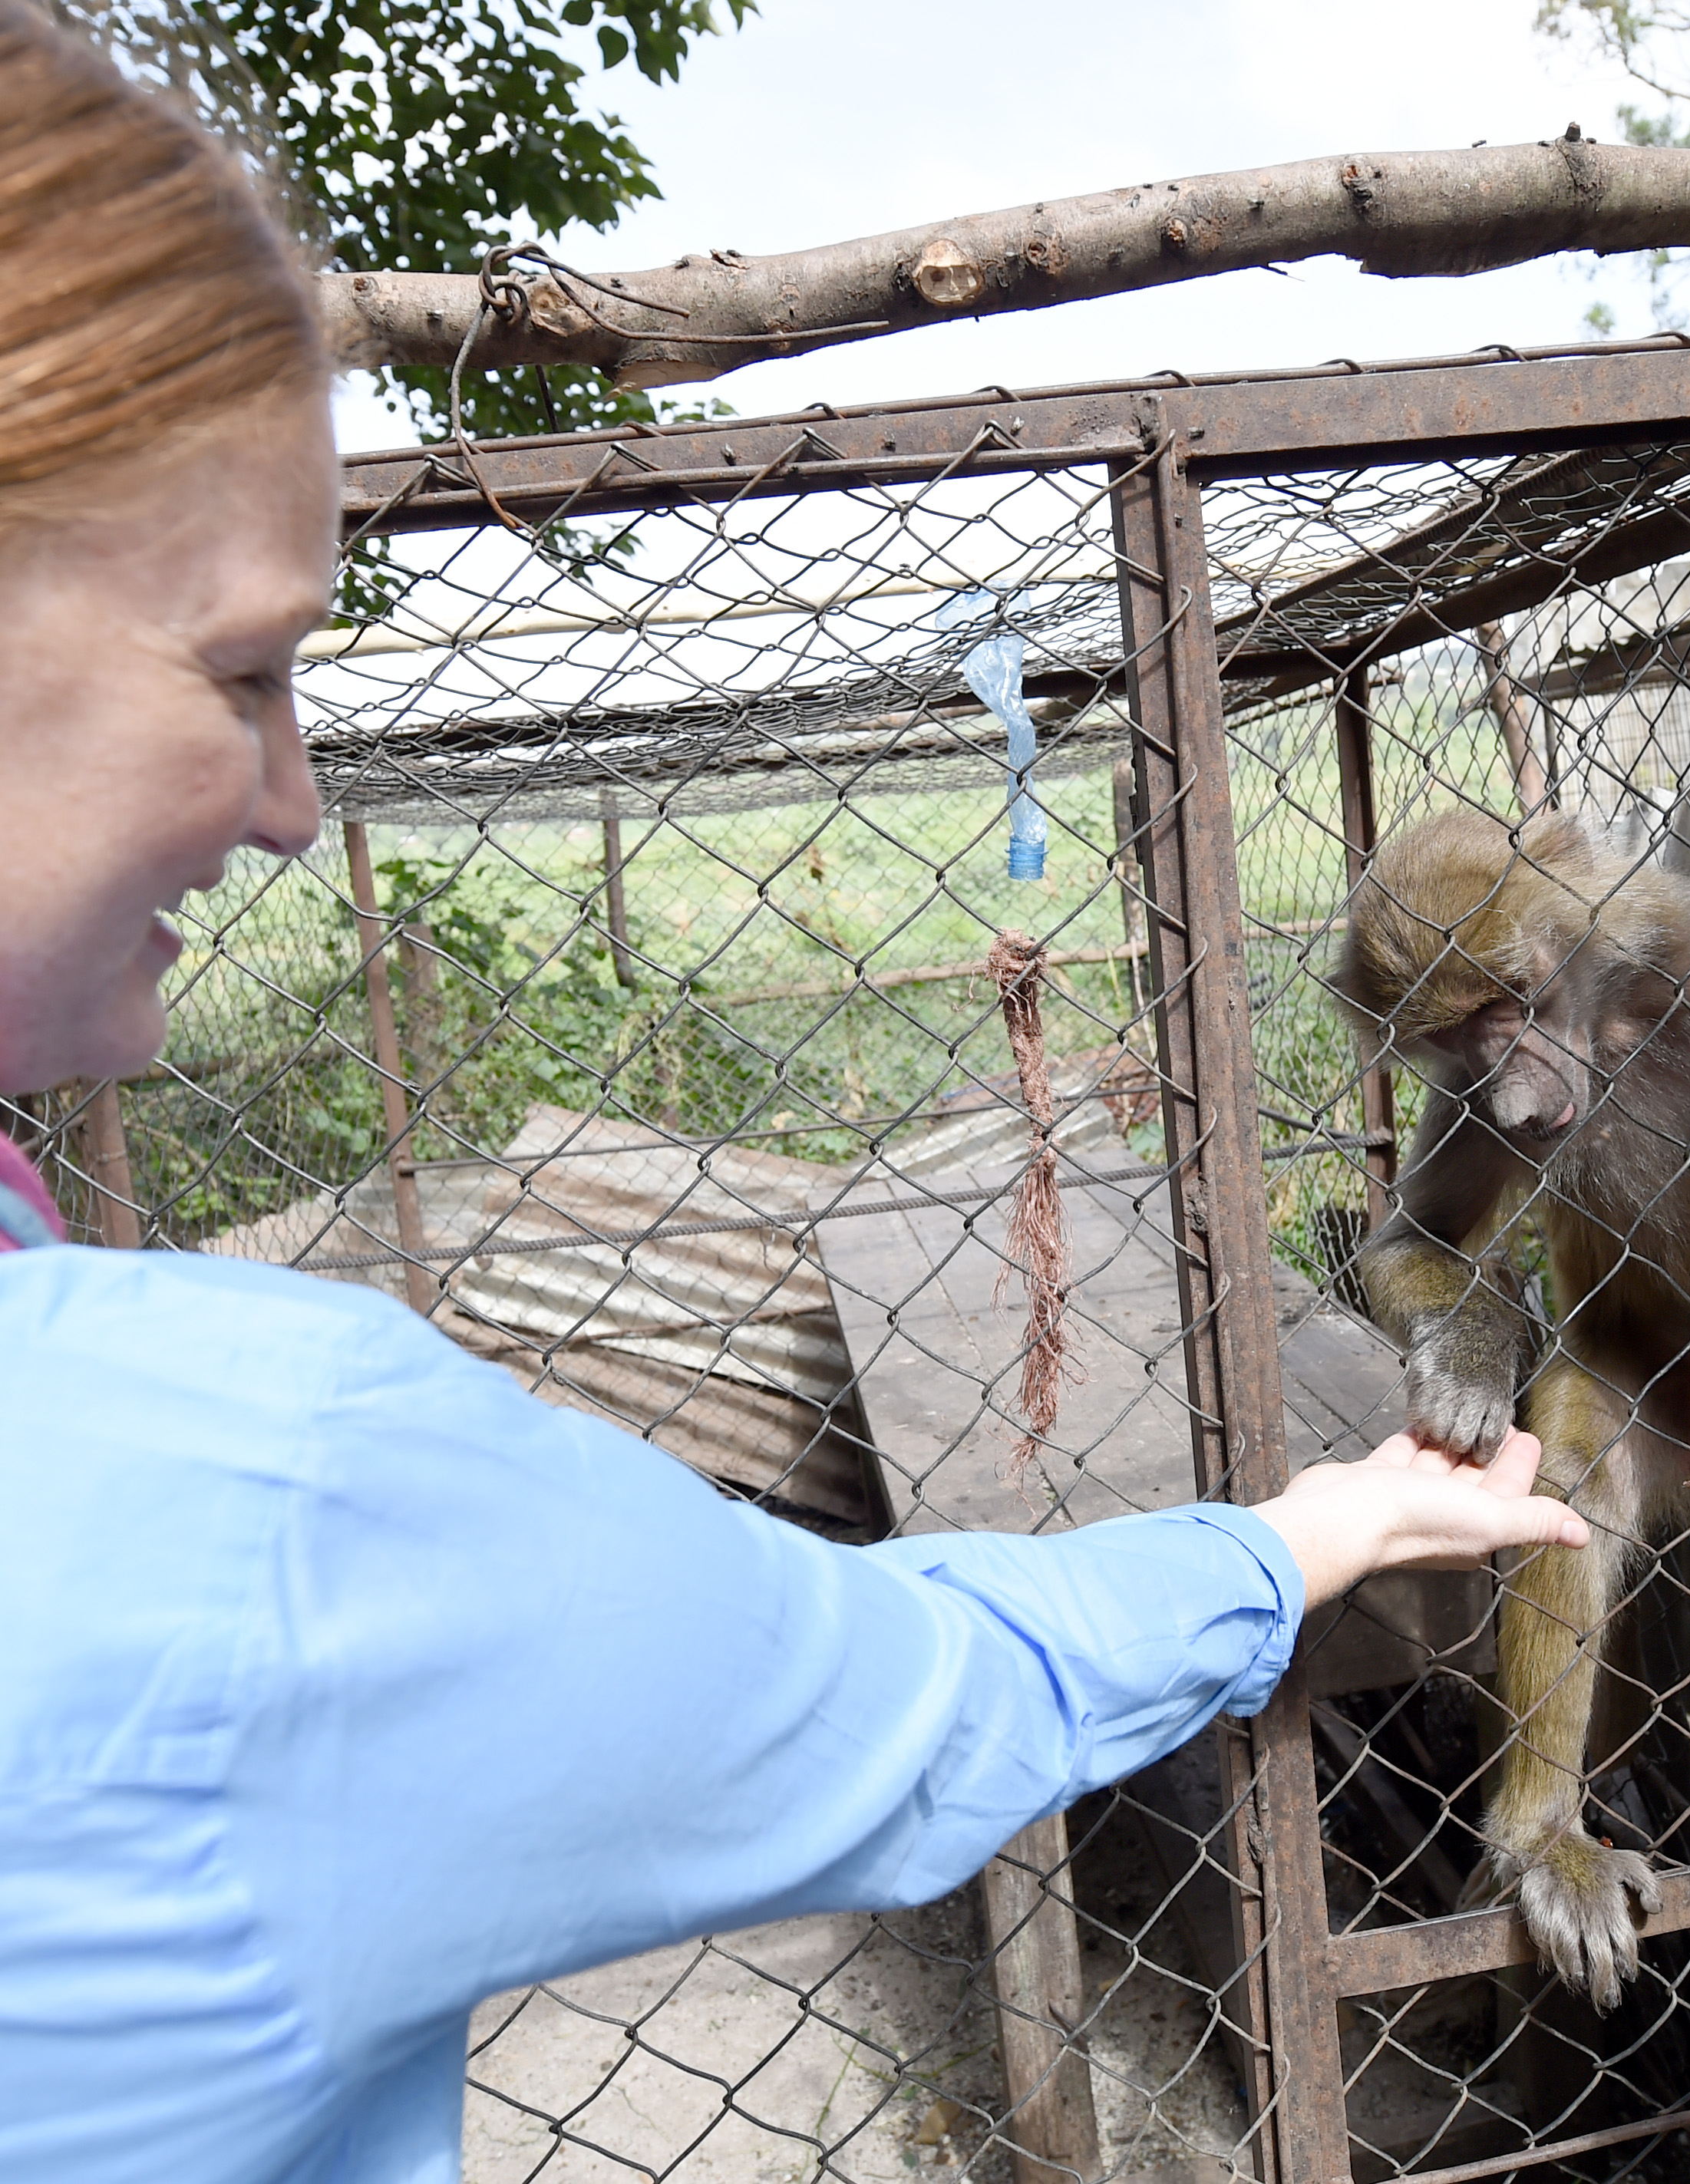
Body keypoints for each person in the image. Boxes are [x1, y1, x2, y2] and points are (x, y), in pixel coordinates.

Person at [0, 15, 1589, 2179]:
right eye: (248, 671)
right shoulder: (239, 1479)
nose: (294, 802)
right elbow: (889, 1703)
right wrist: (1310, 1529)